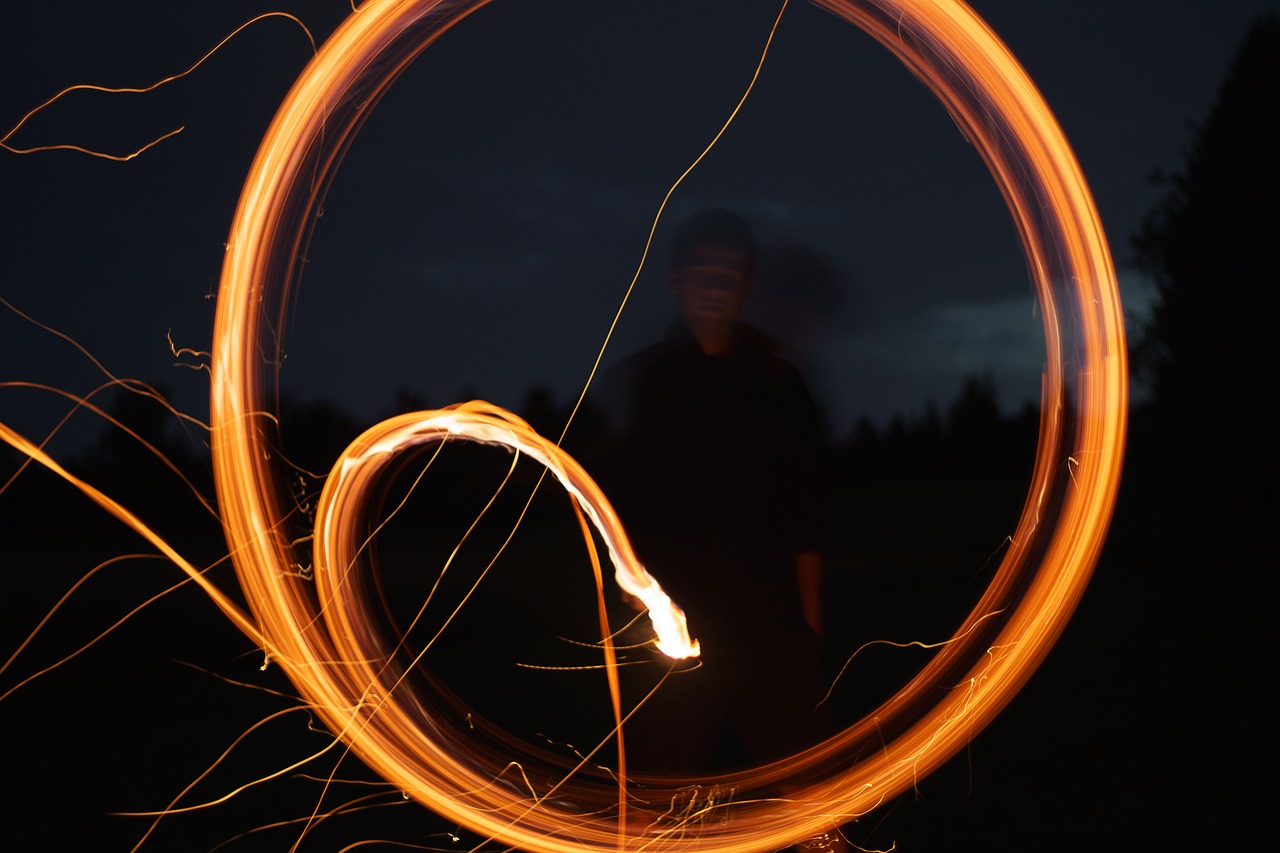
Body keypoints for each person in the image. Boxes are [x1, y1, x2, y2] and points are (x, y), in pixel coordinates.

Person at [598, 208, 831, 773]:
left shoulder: (779, 384)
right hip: (674, 623)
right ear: (675, 278)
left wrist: (810, 627)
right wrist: (634, 597)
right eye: (702, 273)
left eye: (728, 277)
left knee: (809, 788)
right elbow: (614, 504)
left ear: (747, 288)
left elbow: (804, 511)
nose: (714, 288)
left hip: (768, 623)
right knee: (659, 784)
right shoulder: (643, 380)